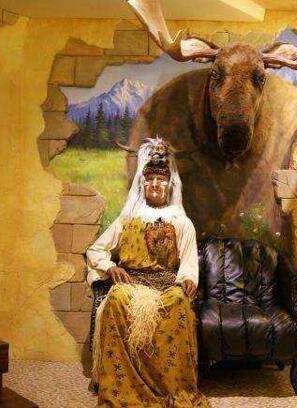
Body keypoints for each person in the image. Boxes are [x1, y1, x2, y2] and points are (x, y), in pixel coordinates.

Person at [86, 138, 210, 408]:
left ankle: (171, 389)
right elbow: (96, 250)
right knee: (116, 300)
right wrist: (110, 266)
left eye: (161, 180)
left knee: (179, 304)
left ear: (169, 184)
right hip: (132, 285)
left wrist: (188, 280)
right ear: (142, 184)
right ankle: (123, 389)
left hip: (166, 286)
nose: (155, 184)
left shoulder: (181, 222)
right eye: (150, 179)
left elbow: (189, 262)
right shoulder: (128, 219)